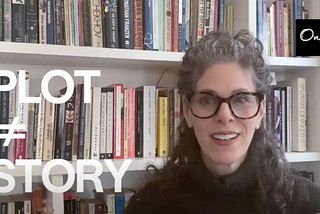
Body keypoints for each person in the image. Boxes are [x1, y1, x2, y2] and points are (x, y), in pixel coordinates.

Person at [123, 29, 320, 214]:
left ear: (260, 111)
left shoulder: (306, 202)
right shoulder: (149, 204)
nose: (225, 116)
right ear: (188, 110)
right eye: (207, 100)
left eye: (241, 98)